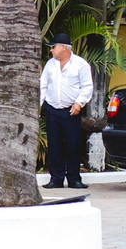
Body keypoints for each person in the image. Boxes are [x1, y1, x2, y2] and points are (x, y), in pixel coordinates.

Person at [39, 33, 93, 190]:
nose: (51, 50)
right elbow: (43, 85)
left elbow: (87, 86)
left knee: (72, 145)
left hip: (71, 111)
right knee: (54, 145)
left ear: (63, 47)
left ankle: (74, 179)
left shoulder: (80, 64)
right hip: (52, 109)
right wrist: (38, 106)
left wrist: (79, 103)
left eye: (53, 47)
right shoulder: (50, 64)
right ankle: (56, 178)